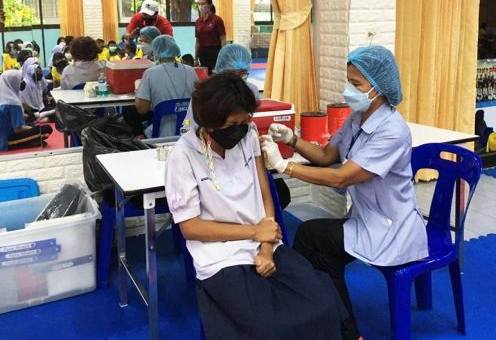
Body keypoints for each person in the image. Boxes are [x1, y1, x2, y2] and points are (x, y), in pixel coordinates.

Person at [260, 45, 428, 340]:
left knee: (309, 236)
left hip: (392, 229)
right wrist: (292, 139)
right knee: (323, 260)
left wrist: (284, 166)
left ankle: (302, 309)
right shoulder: (357, 117)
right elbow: (327, 156)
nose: (348, 90)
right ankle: (339, 327)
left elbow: (340, 178)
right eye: (348, 81)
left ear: (378, 88)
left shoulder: (392, 131)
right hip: (367, 219)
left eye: (356, 84)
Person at [165, 72, 347, 339]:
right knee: (268, 327)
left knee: (325, 303)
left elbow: (265, 196)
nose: (241, 128)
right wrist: (254, 232)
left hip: (264, 243)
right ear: (209, 122)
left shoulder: (248, 136)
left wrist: (266, 248)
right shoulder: (183, 156)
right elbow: (191, 228)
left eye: (246, 120)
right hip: (220, 257)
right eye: (233, 123)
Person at [124, 35, 197, 138]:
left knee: (130, 112)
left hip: (162, 132)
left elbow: (142, 109)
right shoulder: (191, 71)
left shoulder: (150, 73)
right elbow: (198, 100)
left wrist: (138, 90)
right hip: (189, 129)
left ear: (156, 51)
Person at [0, 70, 52, 151]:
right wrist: (33, 128)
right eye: (20, 80)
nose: (22, 82)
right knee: (46, 129)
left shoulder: (4, 98)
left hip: (5, 132)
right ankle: (20, 143)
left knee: (31, 124)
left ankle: (30, 141)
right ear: (13, 82)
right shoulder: (13, 103)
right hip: (7, 139)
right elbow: (18, 129)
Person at [194, 0, 226, 75]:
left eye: (203, 4)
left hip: (215, 51)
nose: (201, 6)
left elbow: (223, 39)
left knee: (216, 75)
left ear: (210, 5)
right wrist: (196, 58)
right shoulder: (198, 22)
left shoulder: (217, 20)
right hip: (203, 52)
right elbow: (197, 41)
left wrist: (223, 55)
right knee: (206, 75)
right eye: (199, 4)